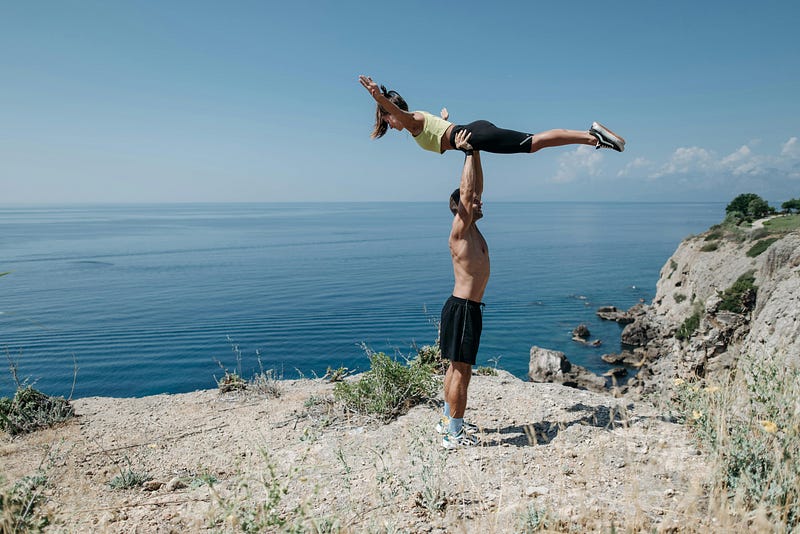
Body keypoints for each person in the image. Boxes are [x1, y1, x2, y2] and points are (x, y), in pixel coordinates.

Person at [358, 75, 625, 155]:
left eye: (386, 121)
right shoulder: (418, 120)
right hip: (472, 130)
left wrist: (379, 99)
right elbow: (446, 133)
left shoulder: (410, 119)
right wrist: (447, 119)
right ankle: (594, 137)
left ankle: (593, 137)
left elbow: (398, 114)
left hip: (477, 134)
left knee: (534, 143)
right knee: (534, 143)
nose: (391, 126)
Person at [437, 130, 489, 449]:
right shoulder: (460, 230)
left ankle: (447, 422)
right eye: (471, 203)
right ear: (459, 209)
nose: (479, 202)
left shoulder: (475, 230)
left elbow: (475, 190)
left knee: (459, 369)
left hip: (469, 309)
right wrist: (466, 154)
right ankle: (453, 433)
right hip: (463, 309)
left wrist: (478, 151)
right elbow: (469, 194)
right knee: (461, 371)